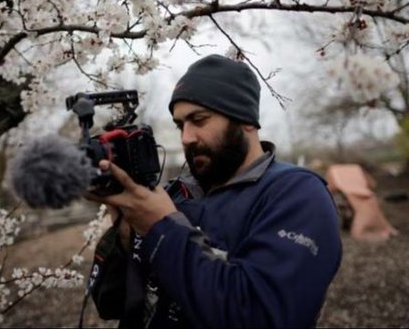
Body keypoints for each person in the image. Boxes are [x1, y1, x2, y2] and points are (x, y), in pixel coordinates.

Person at [85, 54, 342, 329]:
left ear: (246, 120)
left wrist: (161, 228)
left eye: (199, 120)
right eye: (181, 124)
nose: (186, 137)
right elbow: (110, 304)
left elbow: (261, 315)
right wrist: (126, 240)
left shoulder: (296, 195)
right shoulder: (176, 194)